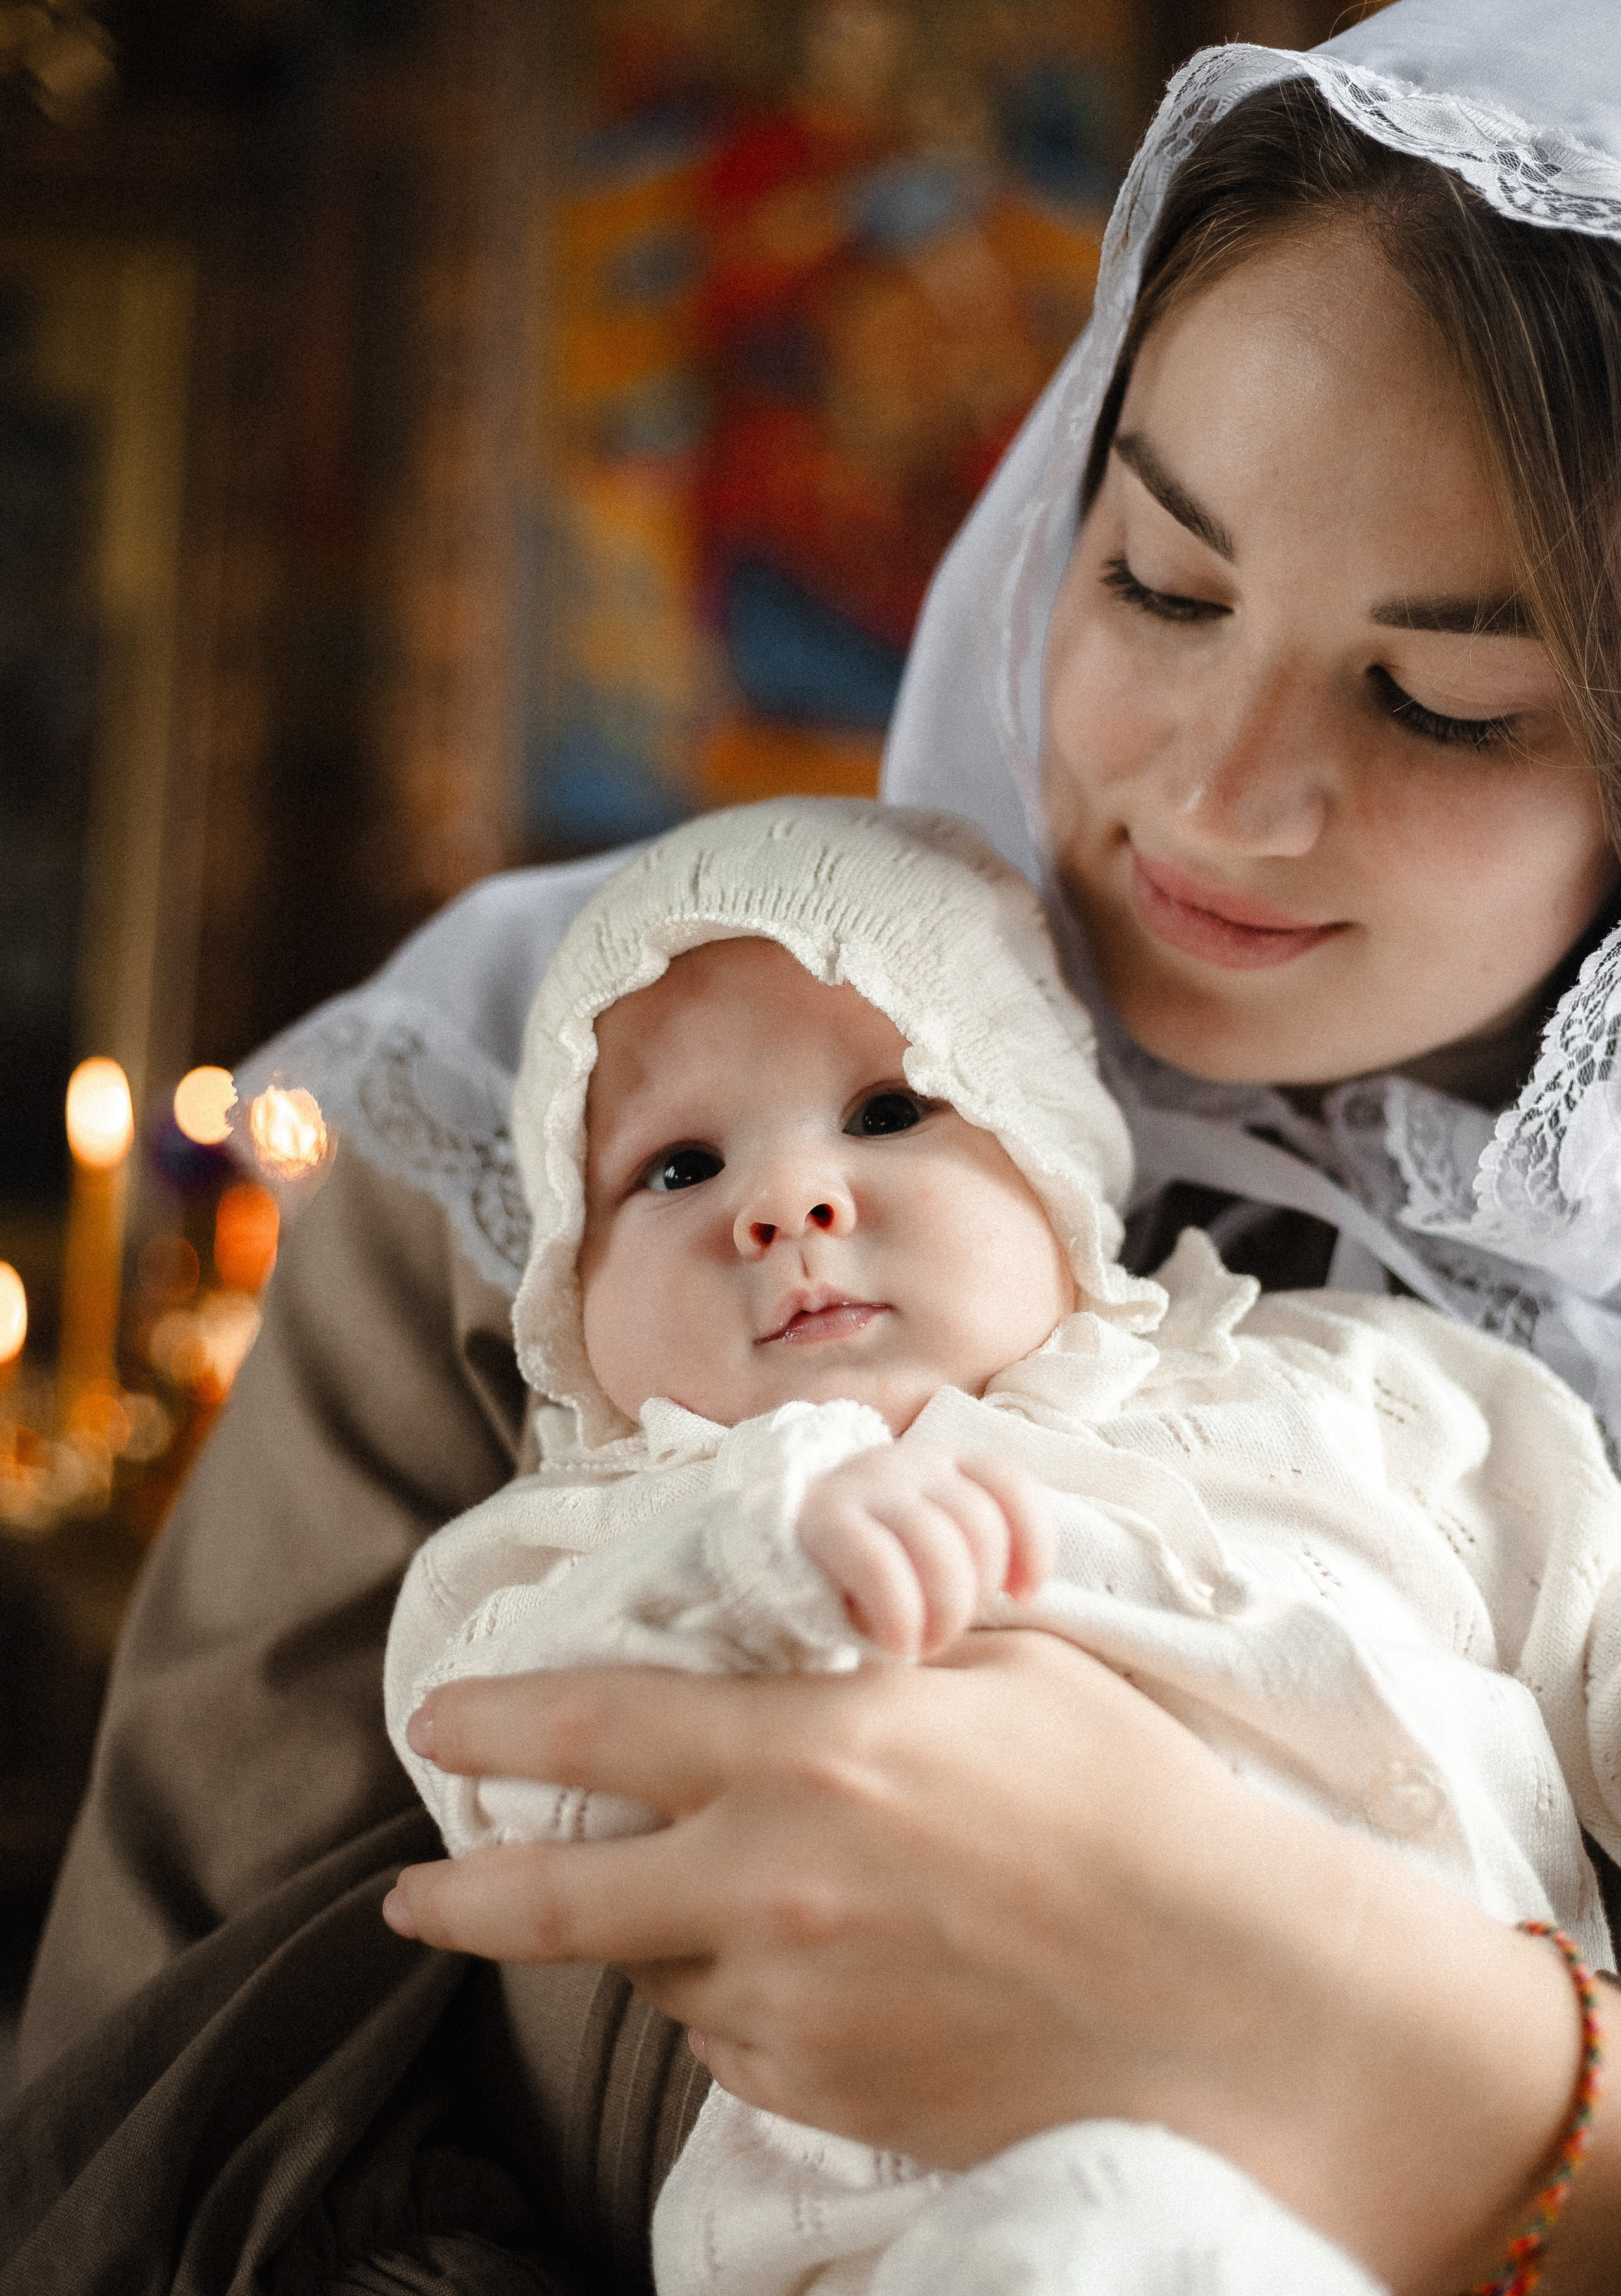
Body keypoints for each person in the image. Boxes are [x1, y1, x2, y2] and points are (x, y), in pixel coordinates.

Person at [6, 0, 1621, 2296]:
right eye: (1156, 577)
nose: (1213, 792)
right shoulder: (575, 1103)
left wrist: (1354, 2035)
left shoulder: (1499, 1409)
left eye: (1443, 700)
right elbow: (168, 2108)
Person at [387, 796, 1621, 2296]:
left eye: (890, 1113)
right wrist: (755, 1567)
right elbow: (507, 1755)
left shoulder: (1357, 1381)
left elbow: (1585, 1584)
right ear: (568, 1308)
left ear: (1050, 1153)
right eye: (676, 1169)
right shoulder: (603, 1528)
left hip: (1475, 2201)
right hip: (952, 2231)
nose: (787, 1203)